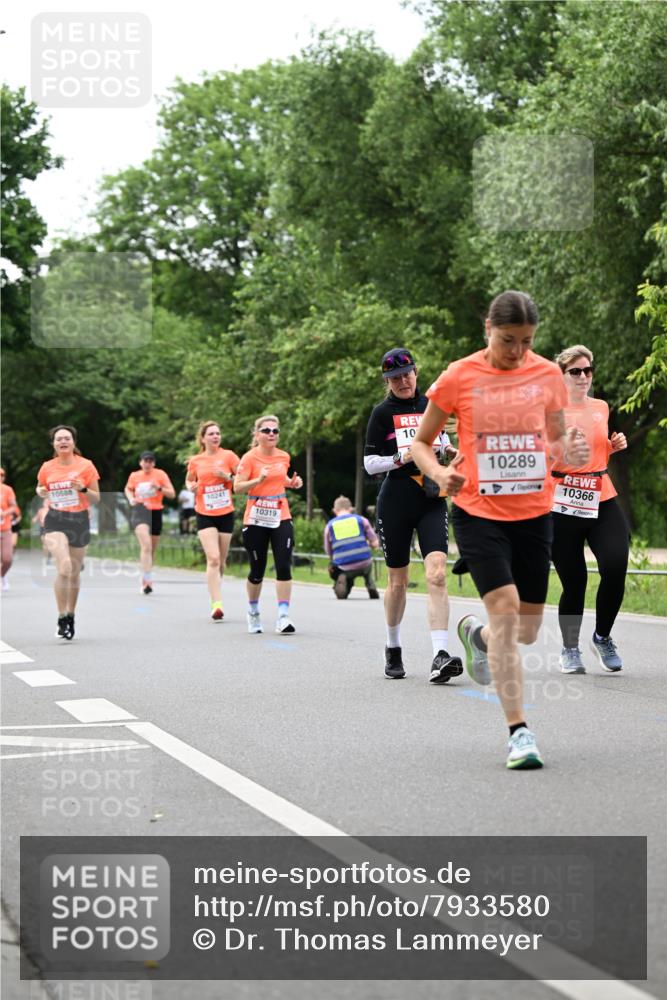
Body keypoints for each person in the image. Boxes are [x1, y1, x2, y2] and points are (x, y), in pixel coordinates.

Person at [411, 290, 590, 769]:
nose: (517, 352)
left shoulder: (547, 374)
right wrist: (439, 473)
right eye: (509, 340)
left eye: (527, 341)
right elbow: (421, 444)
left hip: (534, 513)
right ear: (487, 328)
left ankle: (481, 638)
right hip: (477, 511)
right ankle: (519, 733)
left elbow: (553, 441)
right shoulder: (459, 375)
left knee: (525, 632)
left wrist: (566, 451)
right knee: (508, 612)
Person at [364, 348, 463, 684]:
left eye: (407, 374)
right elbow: (369, 463)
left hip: (431, 497)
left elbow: (441, 440)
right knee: (398, 582)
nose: (403, 382)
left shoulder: (430, 405)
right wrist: (400, 458)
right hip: (396, 500)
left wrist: (448, 450)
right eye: (395, 378)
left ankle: (440, 653)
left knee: (436, 574)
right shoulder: (381, 413)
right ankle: (393, 647)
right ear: (387, 382)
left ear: (416, 373)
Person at [550, 345, 629, 673]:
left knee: (615, 565)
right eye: (576, 372)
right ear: (562, 375)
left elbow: (598, 453)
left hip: (601, 494)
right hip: (562, 501)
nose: (583, 377)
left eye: (588, 371)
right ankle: (570, 649)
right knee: (575, 581)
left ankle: (602, 636)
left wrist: (612, 446)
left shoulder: (601, 406)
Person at [234, 414, 303, 634]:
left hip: (280, 514)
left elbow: (280, 478)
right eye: (266, 430)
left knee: (283, 565)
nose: (272, 434)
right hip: (255, 517)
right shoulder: (249, 458)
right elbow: (238, 487)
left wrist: (291, 483)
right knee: (257, 570)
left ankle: (283, 616)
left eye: (275, 431)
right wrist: (258, 480)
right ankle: (253, 612)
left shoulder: (284, 456)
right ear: (257, 434)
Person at [36, 425, 100, 639]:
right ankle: (61, 615)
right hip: (55, 518)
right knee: (64, 567)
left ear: (73, 442)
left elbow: (95, 498)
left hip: (79, 519)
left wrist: (82, 488)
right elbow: (40, 487)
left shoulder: (86, 465)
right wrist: (41, 491)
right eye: (59, 439)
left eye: (67, 438)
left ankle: (71, 614)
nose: (63, 441)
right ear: (53, 444)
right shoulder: (47, 467)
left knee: (74, 571)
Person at [185, 421, 240, 621]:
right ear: (203, 438)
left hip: (225, 512)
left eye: (218, 433)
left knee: (222, 561)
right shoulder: (196, 461)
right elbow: (189, 479)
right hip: (205, 512)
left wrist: (226, 476)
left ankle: (215, 589)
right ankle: (217, 603)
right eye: (211, 434)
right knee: (214, 558)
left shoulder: (229, 456)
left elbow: (242, 479)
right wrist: (191, 486)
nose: (216, 436)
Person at [124, 452, 175, 595]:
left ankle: (146, 573)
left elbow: (172, 494)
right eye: (145, 461)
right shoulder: (135, 476)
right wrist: (131, 499)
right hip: (140, 510)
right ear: (140, 462)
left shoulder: (160, 475)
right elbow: (128, 488)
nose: (148, 463)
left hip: (156, 512)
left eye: (151, 461)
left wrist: (159, 488)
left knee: (151, 549)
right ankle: (147, 580)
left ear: (154, 463)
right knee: (145, 546)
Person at [324, 496, 380, 600]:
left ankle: (343, 580)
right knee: (367, 569)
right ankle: (370, 583)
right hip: (364, 563)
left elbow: (328, 549)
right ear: (351, 509)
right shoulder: (361, 520)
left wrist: (333, 559)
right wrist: (370, 544)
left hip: (344, 566)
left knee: (335, 568)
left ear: (334, 510)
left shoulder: (330, 526)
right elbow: (375, 543)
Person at [1, 468, 19, 591]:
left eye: (2, 475)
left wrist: (4, 513)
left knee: (7, 559)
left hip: (5, 529)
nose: (0, 477)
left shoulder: (7, 490)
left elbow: (14, 507)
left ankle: (2, 575)